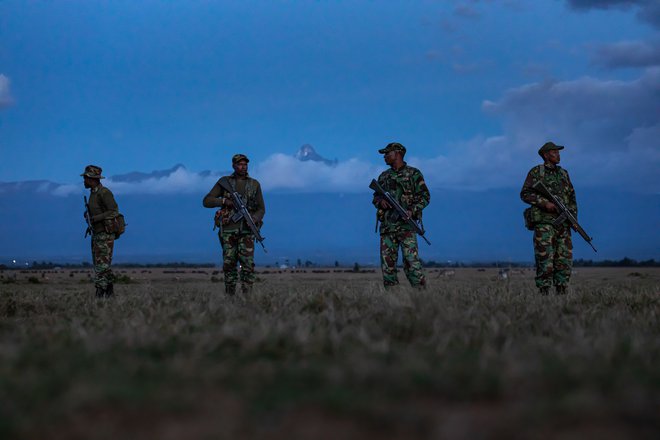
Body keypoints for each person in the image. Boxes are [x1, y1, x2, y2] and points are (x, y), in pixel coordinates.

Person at [203, 154, 265, 295]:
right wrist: (224, 202)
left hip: (247, 231)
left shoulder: (254, 184)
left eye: (245, 164)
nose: (243, 167)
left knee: (248, 266)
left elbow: (261, 209)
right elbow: (207, 201)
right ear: (233, 166)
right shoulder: (225, 182)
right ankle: (230, 297)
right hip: (228, 231)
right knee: (229, 265)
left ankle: (246, 297)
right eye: (239, 164)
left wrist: (254, 219)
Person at [520, 141, 578, 295]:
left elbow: (572, 198)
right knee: (545, 258)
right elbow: (525, 194)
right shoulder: (536, 172)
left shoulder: (564, 173)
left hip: (563, 223)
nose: (558, 155)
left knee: (564, 258)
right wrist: (545, 203)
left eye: (558, 152)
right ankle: (544, 292)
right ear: (545, 155)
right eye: (554, 152)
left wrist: (574, 219)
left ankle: (561, 289)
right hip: (544, 223)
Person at [372, 142, 430, 288]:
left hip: (407, 228)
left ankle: (422, 298)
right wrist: (381, 202)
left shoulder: (414, 174)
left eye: (387, 153)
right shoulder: (383, 177)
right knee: (388, 267)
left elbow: (425, 196)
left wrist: (412, 210)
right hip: (388, 228)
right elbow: (375, 197)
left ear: (397, 154)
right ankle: (393, 302)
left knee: (412, 264)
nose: (384, 157)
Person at [82, 165, 119, 298]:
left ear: (92, 179)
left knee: (101, 266)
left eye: (85, 178)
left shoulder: (104, 193)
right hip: (97, 234)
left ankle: (100, 294)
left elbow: (114, 211)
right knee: (101, 265)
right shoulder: (93, 194)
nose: (84, 181)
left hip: (105, 234)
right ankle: (109, 294)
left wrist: (96, 218)